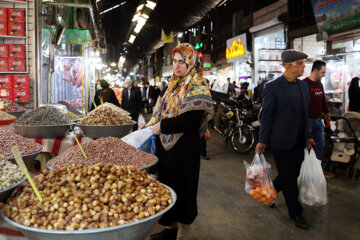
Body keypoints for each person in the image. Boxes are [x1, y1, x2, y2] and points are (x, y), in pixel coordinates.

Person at [148, 43, 213, 240]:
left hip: (185, 150)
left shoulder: (197, 85)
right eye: (175, 61)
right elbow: (160, 111)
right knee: (169, 187)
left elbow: (190, 121)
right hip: (168, 150)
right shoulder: (173, 85)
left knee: (184, 189)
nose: (177, 66)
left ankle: (184, 233)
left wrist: (162, 127)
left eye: (182, 62)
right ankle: (172, 228)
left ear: (191, 62)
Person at [255, 49, 315, 230]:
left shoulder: (303, 86)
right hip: (281, 142)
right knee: (290, 180)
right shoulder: (273, 87)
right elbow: (267, 116)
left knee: (292, 174)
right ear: (289, 66)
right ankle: (296, 213)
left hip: (299, 141)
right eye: (301, 63)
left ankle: (270, 191)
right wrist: (262, 140)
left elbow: (304, 116)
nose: (304, 66)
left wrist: (308, 137)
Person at [303, 60, 333, 177]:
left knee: (321, 145)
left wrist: (326, 112)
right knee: (306, 146)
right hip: (307, 121)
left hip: (318, 121)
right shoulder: (304, 84)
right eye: (323, 72)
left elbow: (322, 100)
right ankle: (304, 170)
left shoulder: (319, 85)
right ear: (315, 71)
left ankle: (318, 169)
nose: (324, 75)